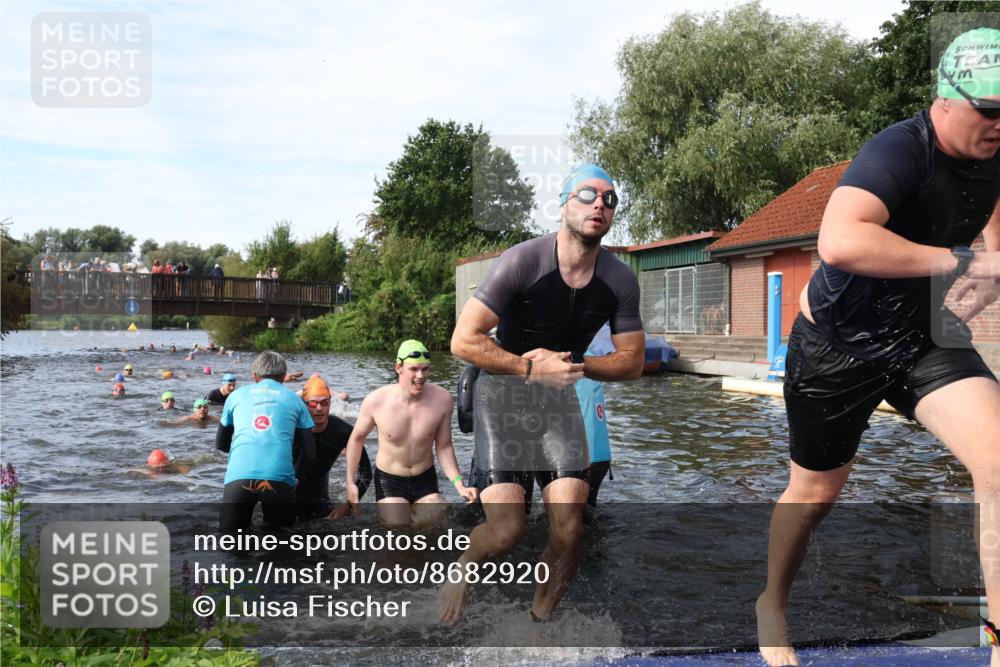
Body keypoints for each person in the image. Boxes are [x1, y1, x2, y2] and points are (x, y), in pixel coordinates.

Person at [756, 28, 1000, 667]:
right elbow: (839, 240)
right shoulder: (898, 150)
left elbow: (992, 203)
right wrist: (960, 258)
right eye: (991, 110)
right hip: (837, 345)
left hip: (924, 338)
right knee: (814, 495)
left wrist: (989, 267)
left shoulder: (995, 149)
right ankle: (771, 605)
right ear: (945, 100)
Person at [440, 163, 644, 625]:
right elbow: (463, 340)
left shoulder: (619, 279)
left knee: (570, 529)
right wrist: (531, 367)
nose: (599, 205)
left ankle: (539, 622)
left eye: (610, 200)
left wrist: (573, 365)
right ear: (564, 205)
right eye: (588, 195)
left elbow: (631, 361)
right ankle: (464, 566)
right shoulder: (524, 261)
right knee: (508, 530)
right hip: (504, 395)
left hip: (558, 398)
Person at [345, 340, 477, 527]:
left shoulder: (442, 400)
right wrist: (350, 482)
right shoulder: (376, 401)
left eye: (425, 369)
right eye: (414, 369)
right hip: (390, 480)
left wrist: (459, 485)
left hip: (424, 477)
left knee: (437, 519)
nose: (420, 376)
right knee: (397, 528)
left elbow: (444, 446)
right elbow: (356, 439)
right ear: (398, 368)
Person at [215, 351, 315, 533]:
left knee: (231, 543)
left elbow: (220, 444)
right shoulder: (295, 399)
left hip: (239, 476)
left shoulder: (235, 396)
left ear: (254, 376)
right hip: (279, 477)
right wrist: (294, 477)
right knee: (281, 543)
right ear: (284, 377)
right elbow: (309, 452)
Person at [296, 375, 373, 520]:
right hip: (289, 500)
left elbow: (366, 473)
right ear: (304, 405)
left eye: (324, 403)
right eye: (313, 404)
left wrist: (348, 505)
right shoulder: (291, 428)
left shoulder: (342, 431)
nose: (319, 408)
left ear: (331, 403)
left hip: (321, 503)